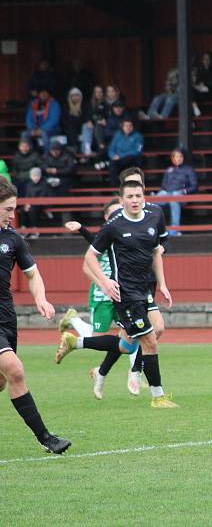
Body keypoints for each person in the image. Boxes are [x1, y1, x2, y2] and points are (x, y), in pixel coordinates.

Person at [56, 180, 178, 409]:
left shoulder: (154, 216)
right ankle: (157, 396)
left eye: (138, 196)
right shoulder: (114, 225)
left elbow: (156, 253)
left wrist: (162, 285)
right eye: (129, 197)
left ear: (144, 197)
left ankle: (76, 342)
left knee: (129, 344)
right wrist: (104, 282)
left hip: (145, 289)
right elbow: (90, 256)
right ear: (122, 201)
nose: (134, 200)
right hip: (126, 293)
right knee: (150, 341)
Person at [0, 180, 70, 453]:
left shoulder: (13, 239)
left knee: (3, 381)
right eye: (8, 209)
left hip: (6, 317)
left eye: (14, 209)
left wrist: (40, 298)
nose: (12, 215)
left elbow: (33, 274)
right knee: (16, 370)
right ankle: (46, 438)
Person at [60, 199, 125, 399]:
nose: (117, 215)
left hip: (122, 294)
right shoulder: (106, 235)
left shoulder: (125, 233)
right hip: (102, 295)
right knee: (100, 339)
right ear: (106, 217)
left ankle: (134, 374)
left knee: (130, 336)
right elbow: (87, 262)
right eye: (113, 212)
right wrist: (81, 228)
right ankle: (73, 320)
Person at [156, 148, 198, 235]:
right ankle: (153, 229)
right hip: (167, 193)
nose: (178, 159)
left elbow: (194, 186)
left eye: (180, 157)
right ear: (172, 158)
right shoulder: (169, 170)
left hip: (181, 195)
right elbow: (163, 185)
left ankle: (174, 230)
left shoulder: (189, 169)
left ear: (183, 158)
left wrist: (184, 191)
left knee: (174, 198)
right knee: (153, 201)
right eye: (175, 157)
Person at [106, 118, 144, 187]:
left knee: (129, 160)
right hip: (118, 160)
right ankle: (115, 188)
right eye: (126, 126)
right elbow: (111, 148)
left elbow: (138, 151)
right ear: (122, 127)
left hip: (131, 159)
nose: (128, 128)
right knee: (112, 164)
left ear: (133, 127)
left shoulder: (138, 136)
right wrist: (112, 156)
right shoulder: (117, 135)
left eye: (130, 126)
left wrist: (120, 155)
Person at [25, 87, 61, 153]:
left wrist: (41, 129)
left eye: (45, 93)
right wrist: (32, 128)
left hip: (52, 129)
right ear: (39, 94)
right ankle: (30, 155)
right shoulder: (34, 103)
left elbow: (54, 121)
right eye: (41, 93)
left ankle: (46, 155)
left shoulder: (54, 104)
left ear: (48, 94)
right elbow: (29, 118)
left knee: (44, 134)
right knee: (24, 134)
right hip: (35, 129)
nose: (43, 95)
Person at [18, 167, 47, 237]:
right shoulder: (29, 185)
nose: (36, 178)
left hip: (40, 205)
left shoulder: (43, 185)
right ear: (31, 176)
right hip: (30, 205)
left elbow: (42, 197)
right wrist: (26, 204)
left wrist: (31, 204)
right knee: (22, 210)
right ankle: (24, 229)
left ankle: (35, 230)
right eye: (34, 176)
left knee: (31, 210)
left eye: (37, 176)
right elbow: (27, 196)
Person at [62, 87, 92, 155]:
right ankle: (73, 149)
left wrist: (88, 121)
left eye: (77, 95)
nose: (75, 97)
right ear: (70, 97)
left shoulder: (85, 106)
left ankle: (85, 150)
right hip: (69, 128)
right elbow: (64, 120)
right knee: (70, 126)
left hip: (81, 127)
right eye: (73, 95)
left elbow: (87, 117)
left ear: (80, 96)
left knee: (87, 126)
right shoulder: (66, 107)